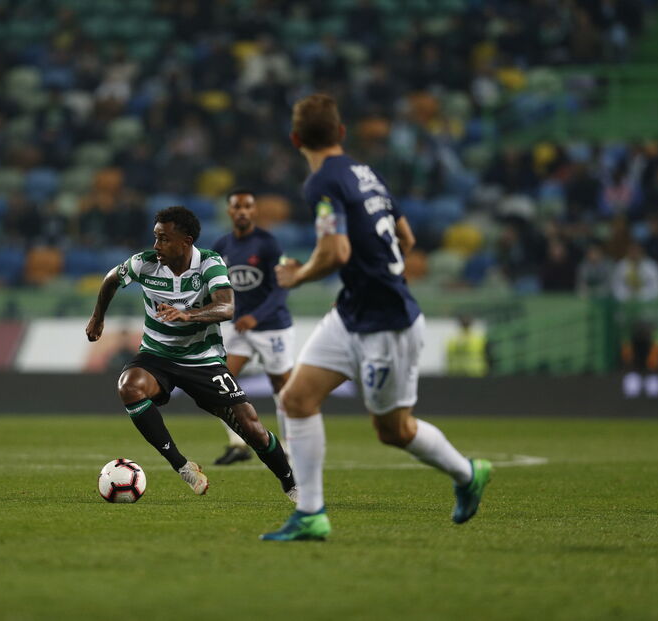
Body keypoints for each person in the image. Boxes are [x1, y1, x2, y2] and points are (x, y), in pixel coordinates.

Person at [261, 94, 491, 542]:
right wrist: (368, 282)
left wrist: (298, 276)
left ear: (295, 140)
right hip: (352, 313)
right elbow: (406, 237)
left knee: (394, 430)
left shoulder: (321, 183)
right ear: (341, 134)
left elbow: (336, 252)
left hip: (388, 325)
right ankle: (310, 514)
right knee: (296, 400)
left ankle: (467, 473)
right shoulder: (366, 173)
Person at [85, 206, 296, 500]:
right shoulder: (144, 264)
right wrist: (98, 318)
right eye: (155, 238)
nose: (157, 246)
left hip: (203, 359)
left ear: (186, 240)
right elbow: (111, 279)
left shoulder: (209, 264)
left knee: (251, 428)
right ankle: (182, 466)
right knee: (129, 387)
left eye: (164, 239)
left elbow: (227, 307)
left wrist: (189, 316)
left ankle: (292, 483)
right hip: (157, 355)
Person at [210, 189, 295, 465]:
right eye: (237, 207)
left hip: (272, 327)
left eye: (248, 206)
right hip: (240, 328)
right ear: (230, 211)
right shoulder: (222, 247)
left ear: (254, 211)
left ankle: (291, 446)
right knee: (220, 383)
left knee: (282, 387)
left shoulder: (269, 244)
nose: (243, 211)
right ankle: (238, 443)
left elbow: (281, 289)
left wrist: (256, 317)